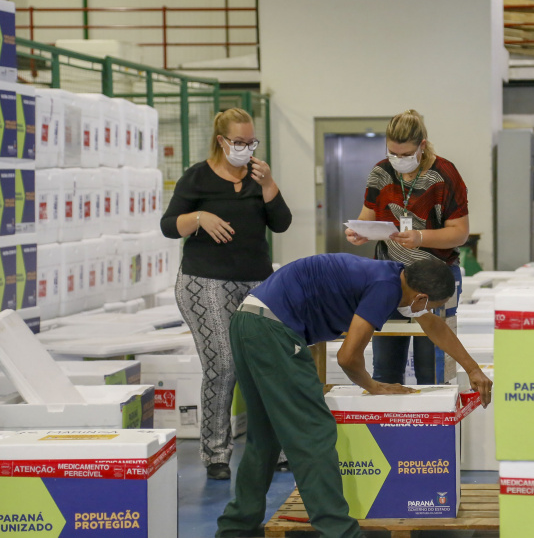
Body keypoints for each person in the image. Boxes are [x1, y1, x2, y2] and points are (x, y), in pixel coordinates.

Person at [215, 254, 493, 538]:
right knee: (313, 431)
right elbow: (348, 357)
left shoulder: (394, 276)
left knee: (264, 435)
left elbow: (433, 326)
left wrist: (473, 368)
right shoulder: (385, 288)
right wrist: (373, 385)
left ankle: (236, 526)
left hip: (248, 322)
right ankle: (340, 532)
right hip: (273, 331)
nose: (428, 312)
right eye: (431, 306)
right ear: (421, 297)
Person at [160, 108, 292, 480]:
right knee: (224, 365)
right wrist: (200, 217)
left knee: (268, 364)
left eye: (251, 142)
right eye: (239, 143)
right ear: (221, 141)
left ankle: (276, 449)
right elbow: (169, 226)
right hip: (205, 282)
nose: (246, 149)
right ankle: (216, 453)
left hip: (256, 282)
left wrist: (268, 185)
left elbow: (281, 224)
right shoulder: (197, 178)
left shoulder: (257, 177)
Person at [345, 110, 469, 385]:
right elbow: (368, 215)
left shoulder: (444, 175)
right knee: (385, 369)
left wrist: (421, 238)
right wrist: (360, 232)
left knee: (432, 371)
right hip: (390, 278)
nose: (398, 160)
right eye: (392, 153)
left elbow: (460, 233)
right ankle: (390, 422)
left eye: (405, 154)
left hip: (433, 278)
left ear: (422, 146)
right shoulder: (380, 171)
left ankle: (433, 423)